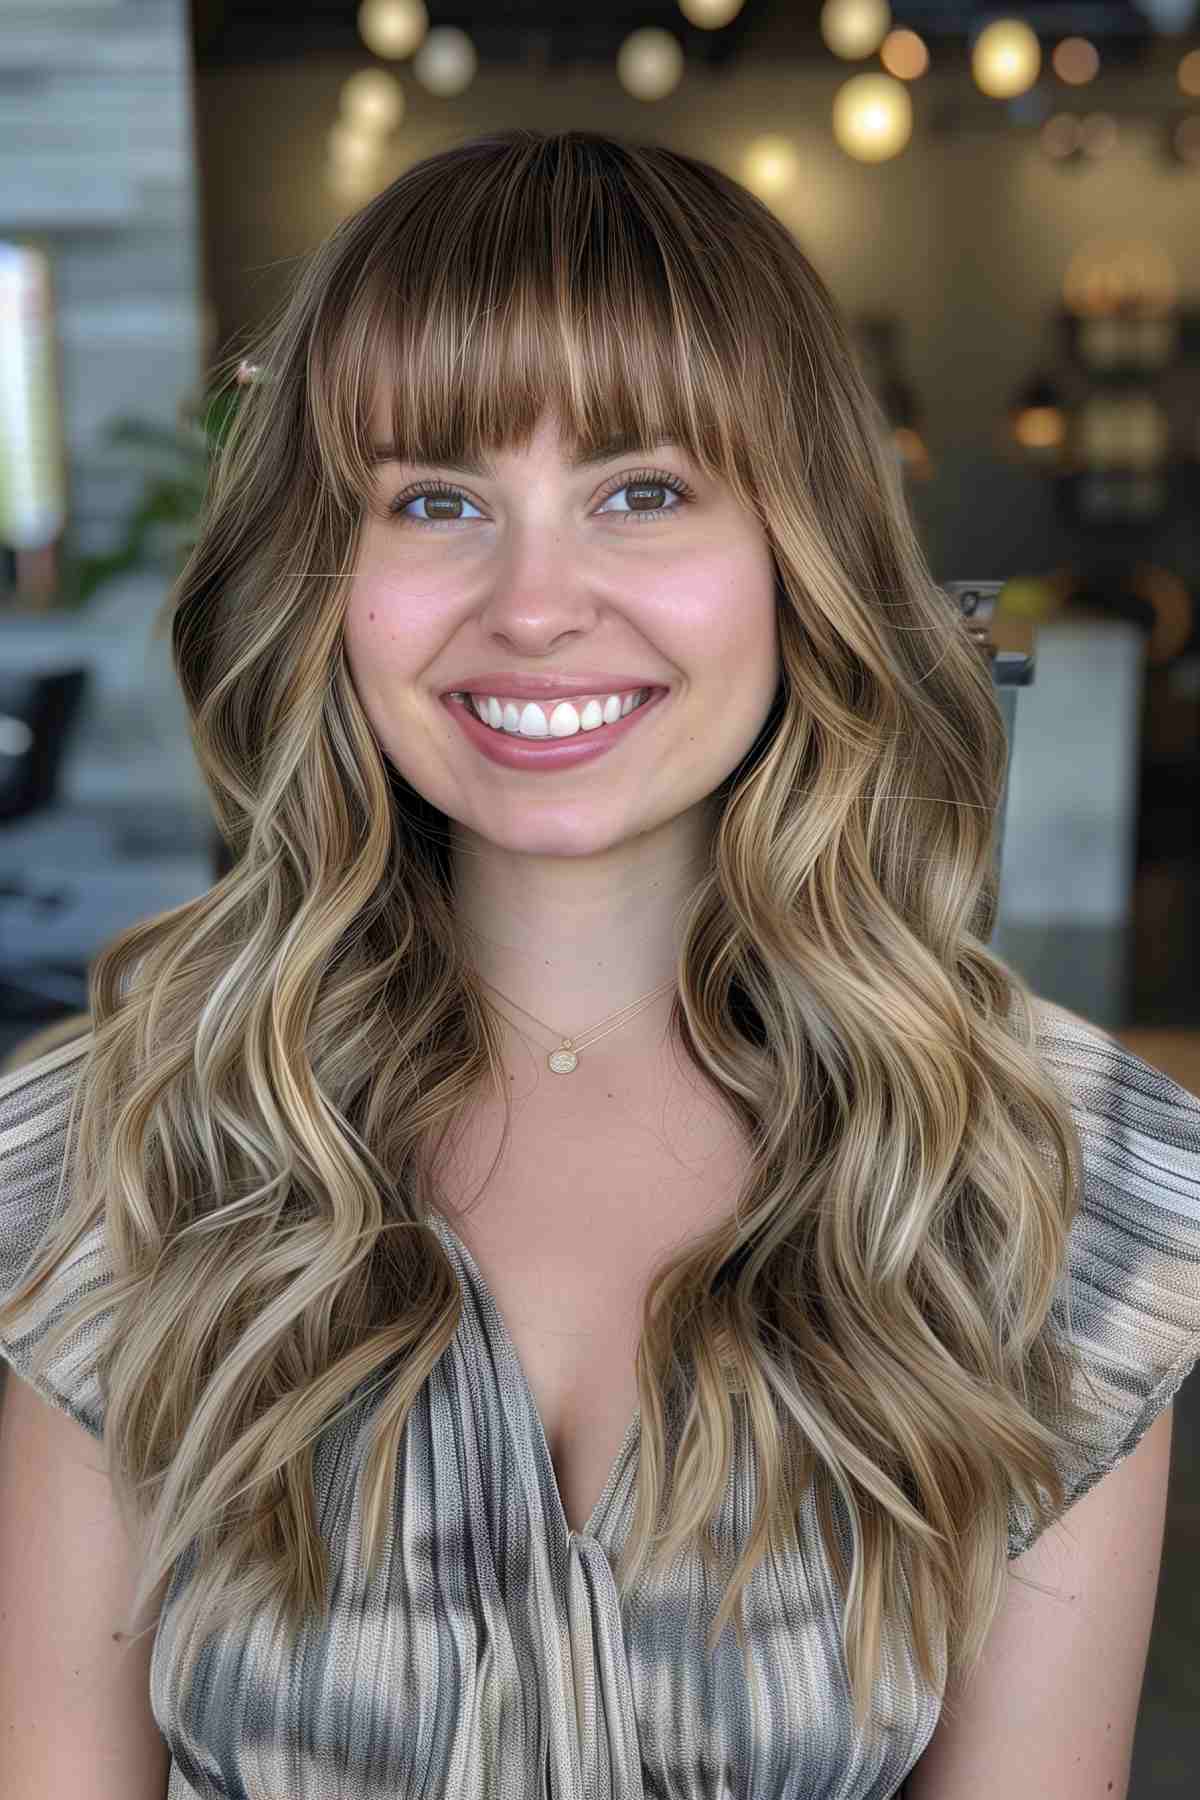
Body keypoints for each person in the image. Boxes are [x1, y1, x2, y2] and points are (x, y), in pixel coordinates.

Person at [2, 126, 1199, 1800]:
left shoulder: (1057, 1187)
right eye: (434, 499)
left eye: (642, 491)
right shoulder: (118, 1147)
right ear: (323, 576)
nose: (535, 602)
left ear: (805, 551)